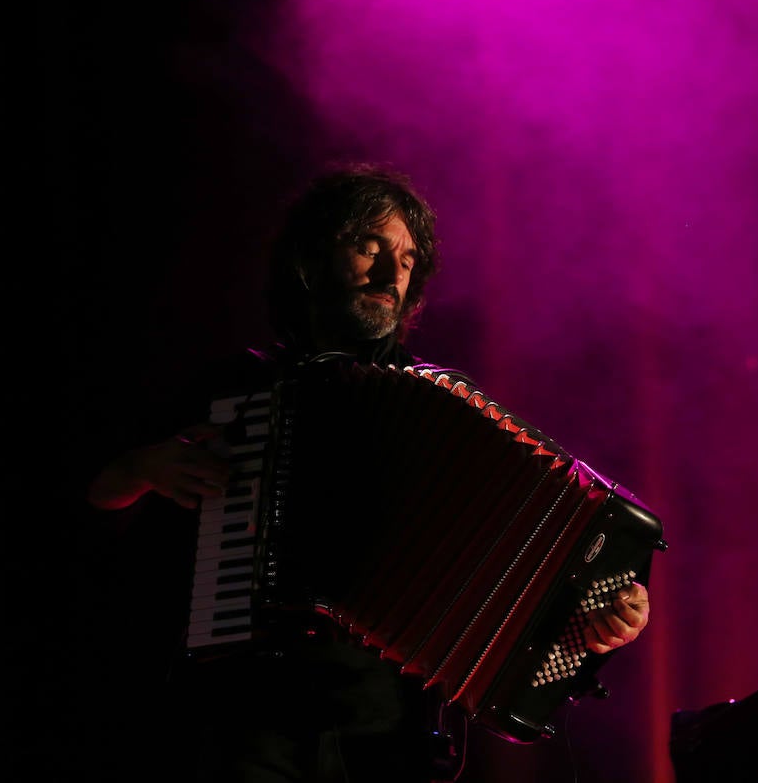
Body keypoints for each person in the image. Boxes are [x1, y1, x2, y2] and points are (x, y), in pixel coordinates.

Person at [86, 162, 651, 782]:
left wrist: (594, 618)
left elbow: (521, 560)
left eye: (406, 261)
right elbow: (95, 498)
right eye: (369, 248)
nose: (390, 275)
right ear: (310, 259)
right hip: (247, 710)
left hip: (385, 729)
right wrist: (140, 468)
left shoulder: (445, 407)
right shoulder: (237, 389)